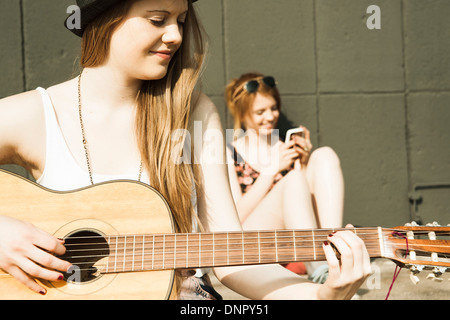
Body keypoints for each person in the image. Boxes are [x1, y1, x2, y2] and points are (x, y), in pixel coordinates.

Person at [0, 0, 371, 300]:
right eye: (158, 19)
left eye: (180, 19)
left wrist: (320, 295)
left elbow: (231, 259)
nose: (175, 34)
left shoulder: (193, 112)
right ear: (105, 17)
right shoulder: (35, 115)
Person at [225, 72, 345, 281]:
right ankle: (322, 271)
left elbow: (303, 204)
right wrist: (271, 170)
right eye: (260, 111)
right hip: (253, 241)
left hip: (294, 241)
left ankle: (334, 256)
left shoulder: (284, 146)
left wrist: (305, 163)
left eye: (273, 108)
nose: (270, 116)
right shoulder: (230, 152)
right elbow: (235, 217)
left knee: (324, 155)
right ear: (242, 114)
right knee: (293, 179)